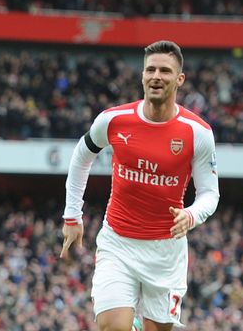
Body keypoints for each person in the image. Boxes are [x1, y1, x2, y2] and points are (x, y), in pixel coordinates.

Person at [59, 40, 220, 331]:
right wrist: (72, 215)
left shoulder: (197, 133)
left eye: (165, 71)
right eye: (150, 70)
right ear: (142, 75)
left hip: (165, 251)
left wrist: (191, 215)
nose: (156, 76)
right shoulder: (114, 120)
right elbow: (82, 156)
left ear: (179, 79)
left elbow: (210, 193)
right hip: (118, 242)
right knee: (112, 326)